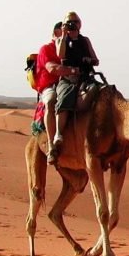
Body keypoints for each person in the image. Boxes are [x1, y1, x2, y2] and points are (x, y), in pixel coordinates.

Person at [50, 11, 99, 160]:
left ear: (80, 24)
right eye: (68, 22)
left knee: (102, 92)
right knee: (65, 98)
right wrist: (64, 36)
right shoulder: (60, 41)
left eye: (75, 22)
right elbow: (61, 55)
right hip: (68, 79)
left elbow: (96, 60)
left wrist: (88, 60)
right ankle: (58, 134)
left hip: (86, 77)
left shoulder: (85, 41)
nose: (72, 25)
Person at [36, 22, 71, 164]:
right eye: (63, 31)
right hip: (50, 86)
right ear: (56, 32)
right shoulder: (46, 49)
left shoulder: (69, 49)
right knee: (51, 101)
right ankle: (51, 146)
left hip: (67, 84)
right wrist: (72, 70)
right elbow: (52, 68)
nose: (66, 34)